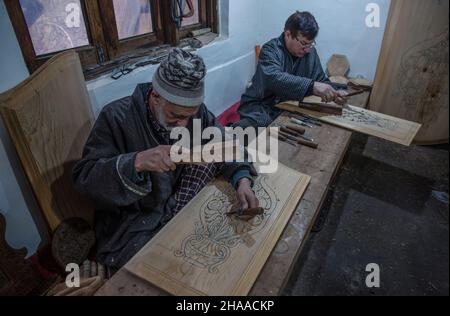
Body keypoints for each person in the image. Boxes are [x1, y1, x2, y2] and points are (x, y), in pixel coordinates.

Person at [73, 48, 258, 269]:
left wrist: (242, 179)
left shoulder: (192, 114)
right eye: (175, 116)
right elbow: (85, 179)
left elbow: (224, 142)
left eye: (189, 117)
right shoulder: (116, 117)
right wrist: (136, 162)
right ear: (155, 96)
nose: (183, 125)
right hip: (135, 221)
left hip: (173, 201)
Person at [237, 11, 348, 128]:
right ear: (288, 34)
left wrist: (335, 92)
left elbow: (320, 79)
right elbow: (275, 79)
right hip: (260, 106)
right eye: (304, 43)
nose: (307, 50)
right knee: (259, 128)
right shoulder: (270, 50)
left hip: (289, 106)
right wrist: (313, 87)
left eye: (311, 44)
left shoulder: (310, 53)